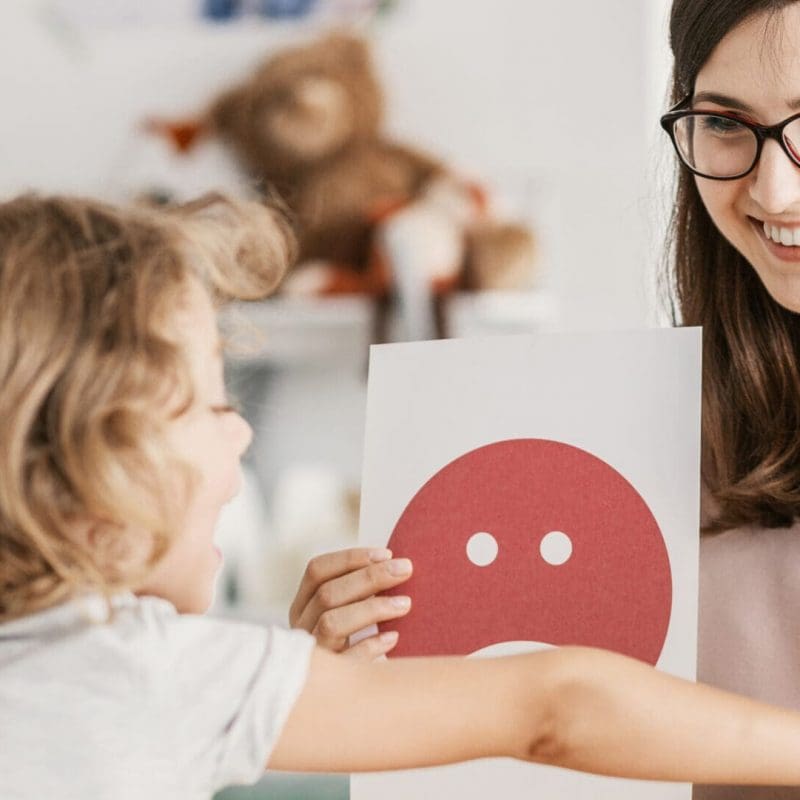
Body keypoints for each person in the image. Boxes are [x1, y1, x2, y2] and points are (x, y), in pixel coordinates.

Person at [7, 194, 800, 800]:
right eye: (215, 404)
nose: (241, 436)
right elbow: (554, 705)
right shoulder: (154, 671)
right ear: (96, 458)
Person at [290, 1, 800, 798]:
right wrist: (356, 676)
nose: (773, 188)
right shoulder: (645, 428)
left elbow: (577, 715)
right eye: (725, 124)